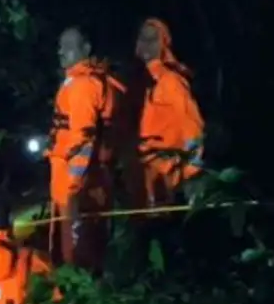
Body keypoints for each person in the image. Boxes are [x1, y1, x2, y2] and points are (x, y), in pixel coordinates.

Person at [47, 25, 126, 272]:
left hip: (80, 187)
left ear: (86, 49)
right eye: (60, 46)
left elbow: (83, 140)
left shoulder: (83, 86)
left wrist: (72, 189)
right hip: (91, 181)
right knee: (92, 246)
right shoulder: (91, 81)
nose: (61, 52)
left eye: (69, 47)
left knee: (77, 255)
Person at [135, 17, 206, 208]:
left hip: (168, 177)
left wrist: (192, 173)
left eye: (153, 39)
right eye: (143, 38)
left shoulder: (171, 82)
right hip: (142, 177)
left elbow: (192, 127)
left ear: (163, 44)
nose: (146, 44)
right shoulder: (138, 82)